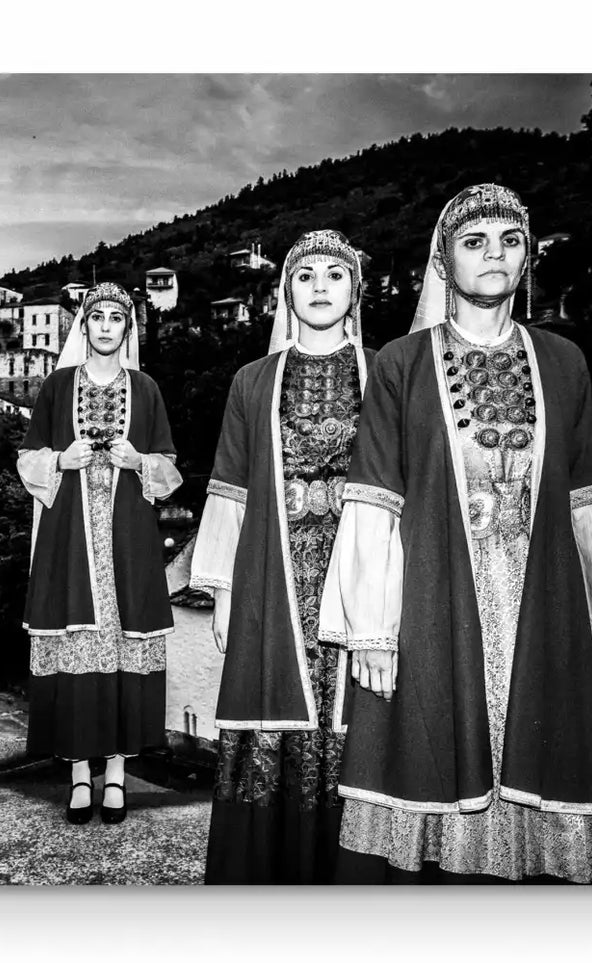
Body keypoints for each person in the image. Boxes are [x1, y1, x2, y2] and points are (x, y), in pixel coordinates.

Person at [321, 184, 592, 884]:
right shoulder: (400, 363)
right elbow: (373, 497)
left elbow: (587, 499)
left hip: (541, 600)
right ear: (441, 257)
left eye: (510, 240)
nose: (495, 254)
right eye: (474, 240)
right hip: (435, 601)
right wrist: (371, 628)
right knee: (435, 747)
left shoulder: (562, 360)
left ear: (527, 257)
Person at [189, 231, 378, 883]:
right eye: (305, 275)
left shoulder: (385, 374)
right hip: (273, 572)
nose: (320, 285)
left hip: (361, 571)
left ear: (356, 290)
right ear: (284, 291)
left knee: (355, 708)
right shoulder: (252, 381)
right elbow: (230, 484)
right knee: (274, 702)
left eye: (335, 273)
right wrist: (220, 588)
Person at [17, 282, 182, 825]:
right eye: (98, 317)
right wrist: (61, 460)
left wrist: (138, 461)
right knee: (76, 653)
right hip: (70, 539)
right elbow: (28, 459)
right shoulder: (57, 386)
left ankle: (115, 774)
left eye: (117, 317)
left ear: (126, 328)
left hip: (127, 541)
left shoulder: (148, 389)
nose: (107, 325)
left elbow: (169, 468)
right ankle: (78, 777)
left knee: (120, 654)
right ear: (82, 326)